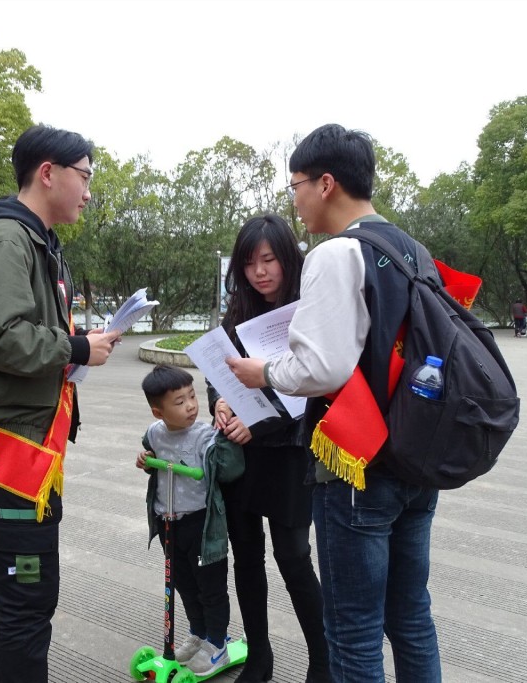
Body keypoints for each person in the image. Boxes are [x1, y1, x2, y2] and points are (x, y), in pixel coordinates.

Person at [227, 124, 443, 682]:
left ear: (325, 184)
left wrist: (261, 372)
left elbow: (322, 369)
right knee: (411, 618)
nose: (295, 200)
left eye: (296, 185)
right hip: (416, 460)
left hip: (356, 466)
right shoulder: (412, 250)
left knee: (353, 632)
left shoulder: (336, 253)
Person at [0, 124, 120, 683]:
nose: (88, 192)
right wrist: (77, 347)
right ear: (48, 173)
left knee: (2, 584)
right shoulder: (3, 242)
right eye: (84, 176)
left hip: (19, 437)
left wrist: (74, 340)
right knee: (26, 596)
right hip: (9, 447)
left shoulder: (32, 240)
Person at [208, 215, 330, 683]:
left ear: (288, 259)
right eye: (249, 262)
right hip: (242, 458)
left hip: (290, 454)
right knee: (247, 558)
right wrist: (219, 403)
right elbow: (218, 372)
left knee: (294, 558)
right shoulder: (237, 312)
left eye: (269, 260)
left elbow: (311, 389)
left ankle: (323, 662)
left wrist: (256, 424)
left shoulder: (307, 311)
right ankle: (259, 657)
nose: (259, 272)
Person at [137, 364, 244, 677]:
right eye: (180, 401)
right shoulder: (155, 433)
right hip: (168, 523)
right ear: (158, 412)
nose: (191, 405)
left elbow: (230, 470)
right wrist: (146, 460)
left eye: (192, 396)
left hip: (201, 526)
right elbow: (148, 454)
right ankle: (199, 633)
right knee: (182, 584)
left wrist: (226, 440)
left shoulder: (205, 436)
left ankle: (218, 643)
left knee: (210, 587)